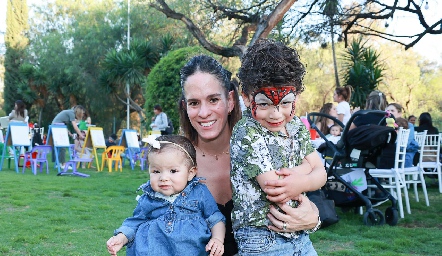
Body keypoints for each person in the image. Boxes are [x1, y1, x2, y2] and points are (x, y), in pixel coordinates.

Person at [179, 54, 323, 255]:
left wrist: (313, 219)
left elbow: (306, 194)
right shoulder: (175, 163)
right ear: (185, 107)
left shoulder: (267, 142)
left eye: (213, 99)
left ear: (231, 100)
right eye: (194, 103)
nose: (204, 112)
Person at [230, 39, 326, 255]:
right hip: (262, 238)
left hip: (301, 235)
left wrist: (304, 179)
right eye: (264, 104)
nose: (276, 114)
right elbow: (274, 187)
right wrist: (306, 170)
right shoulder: (247, 132)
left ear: (296, 97)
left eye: (285, 103)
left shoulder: (296, 126)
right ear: (246, 98)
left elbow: (322, 173)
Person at [107, 135, 226, 256]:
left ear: (191, 173)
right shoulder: (148, 198)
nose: (163, 178)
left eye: (173, 171)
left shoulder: (199, 193)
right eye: (156, 171)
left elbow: (215, 218)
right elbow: (134, 223)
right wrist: (121, 238)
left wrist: (217, 239)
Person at [386, 103, 419, 167]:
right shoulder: (384, 124)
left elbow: (407, 142)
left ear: (399, 113)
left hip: (406, 151)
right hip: (391, 151)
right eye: (388, 111)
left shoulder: (409, 125)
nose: (389, 112)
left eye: (392, 111)